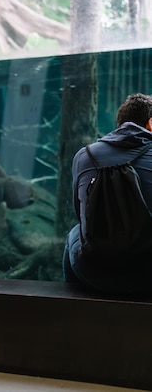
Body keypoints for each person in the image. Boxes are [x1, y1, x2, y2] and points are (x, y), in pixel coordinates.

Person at [63, 92, 152, 294]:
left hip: (96, 273)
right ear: (151, 123)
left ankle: (70, 309)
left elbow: (82, 215)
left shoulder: (84, 155)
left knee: (75, 233)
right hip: (148, 277)